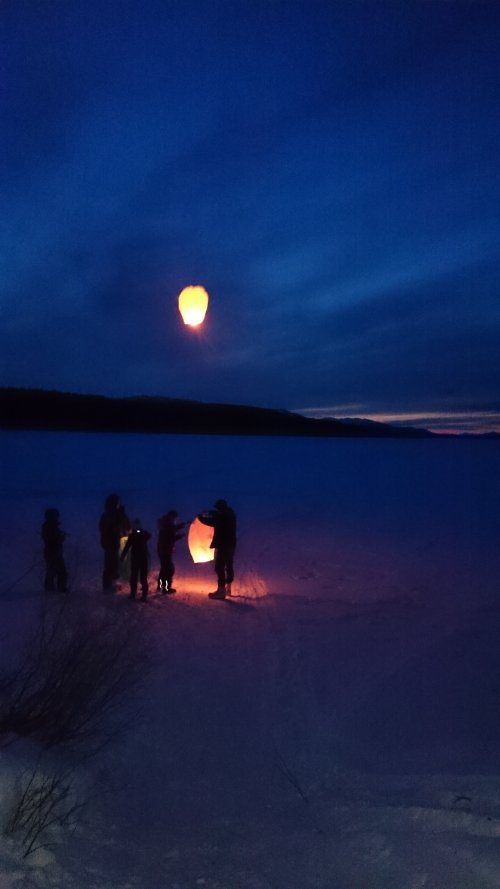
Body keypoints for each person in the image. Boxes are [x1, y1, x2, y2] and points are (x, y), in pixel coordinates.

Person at [197, 499, 236, 600]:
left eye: (217, 508)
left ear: (220, 507)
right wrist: (212, 512)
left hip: (223, 545)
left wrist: (200, 518)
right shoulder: (230, 513)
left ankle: (221, 591)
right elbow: (219, 516)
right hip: (231, 544)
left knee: (219, 567)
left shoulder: (222, 517)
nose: (217, 509)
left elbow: (212, 521)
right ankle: (228, 587)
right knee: (228, 565)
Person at [99, 493, 129, 592]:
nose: (119, 504)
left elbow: (127, 526)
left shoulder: (117, 514)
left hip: (116, 543)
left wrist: (122, 514)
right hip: (110, 543)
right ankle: (107, 586)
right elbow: (107, 529)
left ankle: (112, 584)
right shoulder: (107, 515)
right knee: (110, 564)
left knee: (116, 564)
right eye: (117, 503)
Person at [120, 518, 151, 601]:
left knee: (142, 577)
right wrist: (122, 557)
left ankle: (144, 595)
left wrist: (140, 531)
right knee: (134, 577)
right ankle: (133, 593)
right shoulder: (132, 535)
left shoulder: (142, 534)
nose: (136, 527)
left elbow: (149, 536)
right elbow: (127, 547)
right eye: (135, 525)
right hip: (136, 559)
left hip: (142, 558)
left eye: (137, 525)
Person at [157, 511, 185, 594]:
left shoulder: (165, 523)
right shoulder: (168, 524)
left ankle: (160, 586)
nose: (175, 520)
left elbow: (173, 528)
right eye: (175, 518)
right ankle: (166, 588)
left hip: (162, 549)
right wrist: (180, 536)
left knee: (164, 568)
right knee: (168, 570)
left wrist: (184, 524)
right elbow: (171, 538)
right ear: (172, 517)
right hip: (165, 550)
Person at [41, 508, 69, 592]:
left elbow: (52, 538)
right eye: (55, 516)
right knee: (57, 571)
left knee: (54, 571)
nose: (57, 517)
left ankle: (53, 589)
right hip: (53, 552)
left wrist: (61, 535)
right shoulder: (50, 527)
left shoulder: (50, 526)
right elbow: (52, 540)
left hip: (54, 552)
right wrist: (61, 537)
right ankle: (57, 589)